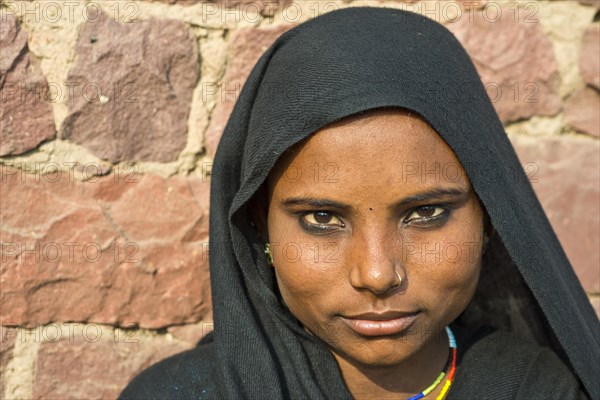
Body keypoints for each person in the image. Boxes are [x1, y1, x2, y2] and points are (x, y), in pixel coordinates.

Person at [119, 6, 599, 400]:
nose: (376, 274)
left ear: (490, 218)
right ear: (258, 224)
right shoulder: (180, 393)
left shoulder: (545, 390)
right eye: (322, 218)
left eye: (426, 213)